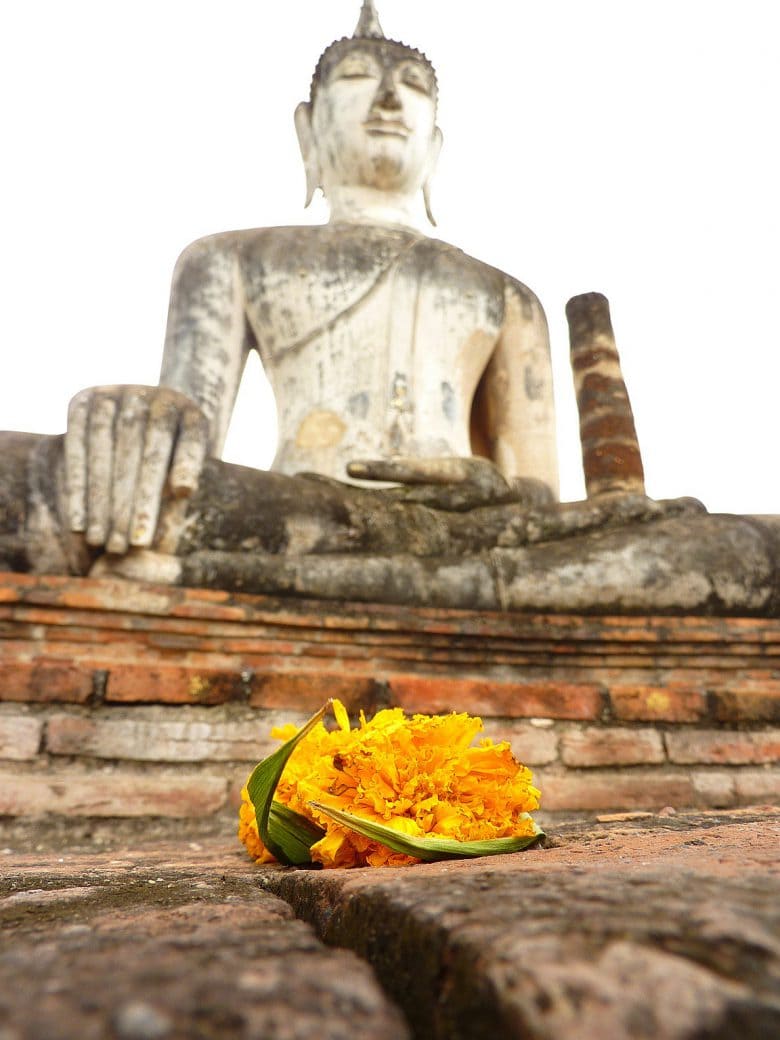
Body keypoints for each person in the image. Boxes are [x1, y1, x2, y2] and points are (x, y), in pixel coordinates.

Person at [62, 0, 559, 571]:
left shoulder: (507, 297)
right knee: (48, 486)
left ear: (436, 145)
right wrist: (139, 425)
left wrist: (488, 485)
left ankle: (207, 576)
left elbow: (542, 506)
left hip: (464, 529)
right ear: (308, 126)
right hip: (301, 512)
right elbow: (184, 466)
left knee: (680, 548)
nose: (389, 101)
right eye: (357, 79)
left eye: (413, 88)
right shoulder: (228, 258)